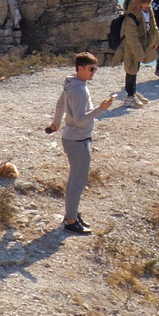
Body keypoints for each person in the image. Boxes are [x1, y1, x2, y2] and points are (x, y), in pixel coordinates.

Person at [45, 52, 113, 234]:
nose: (93, 72)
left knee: (74, 180)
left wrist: (56, 124)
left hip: (71, 137)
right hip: (78, 139)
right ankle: (70, 221)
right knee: (78, 181)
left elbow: (60, 104)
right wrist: (101, 109)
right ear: (80, 68)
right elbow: (81, 120)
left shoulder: (71, 83)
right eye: (91, 69)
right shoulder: (79, 90)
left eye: (95, 69)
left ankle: (72, 213)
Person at [114, 0, 159, 108]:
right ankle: (129, 97)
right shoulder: (132, 15)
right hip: (130, 45)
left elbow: (153, 25)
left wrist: (156, 40)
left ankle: (133, 92)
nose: (146, 7)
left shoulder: (148, 9)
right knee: (131, 68)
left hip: (142, 43)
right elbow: (131, 36)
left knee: (136, 67)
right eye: (144, 6)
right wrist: (138, 53)